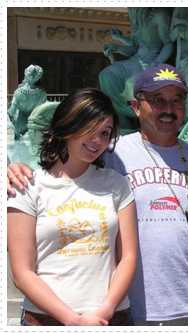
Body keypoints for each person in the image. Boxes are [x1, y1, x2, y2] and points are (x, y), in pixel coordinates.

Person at [7, 64, 188, 326]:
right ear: (136, 107)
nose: (168, 108)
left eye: (177, 100)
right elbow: (65, 172)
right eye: (158, 100)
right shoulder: (109, 154)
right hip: (130, 311)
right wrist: (16, 169)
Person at [7, 88, 138, 326]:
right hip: (45, 320)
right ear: (67, 124)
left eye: (105, 133)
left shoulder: (116, 184)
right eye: (89, 129)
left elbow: (128, 257)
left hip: (111, 319)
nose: (97, 140)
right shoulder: (27, 186)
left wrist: (105, 312)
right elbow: (21, 273)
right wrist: (73, 321)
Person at [99, 7, 174, 130]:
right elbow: (135, 47)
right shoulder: (137, 18)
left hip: (151, 60)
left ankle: (146, 121)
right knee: (106, 75)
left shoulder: (159, 14)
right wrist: (116, 47)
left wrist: (155, 63)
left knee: (131, 81)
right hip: (136, 60)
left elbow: (168, 44)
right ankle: (122, 120)